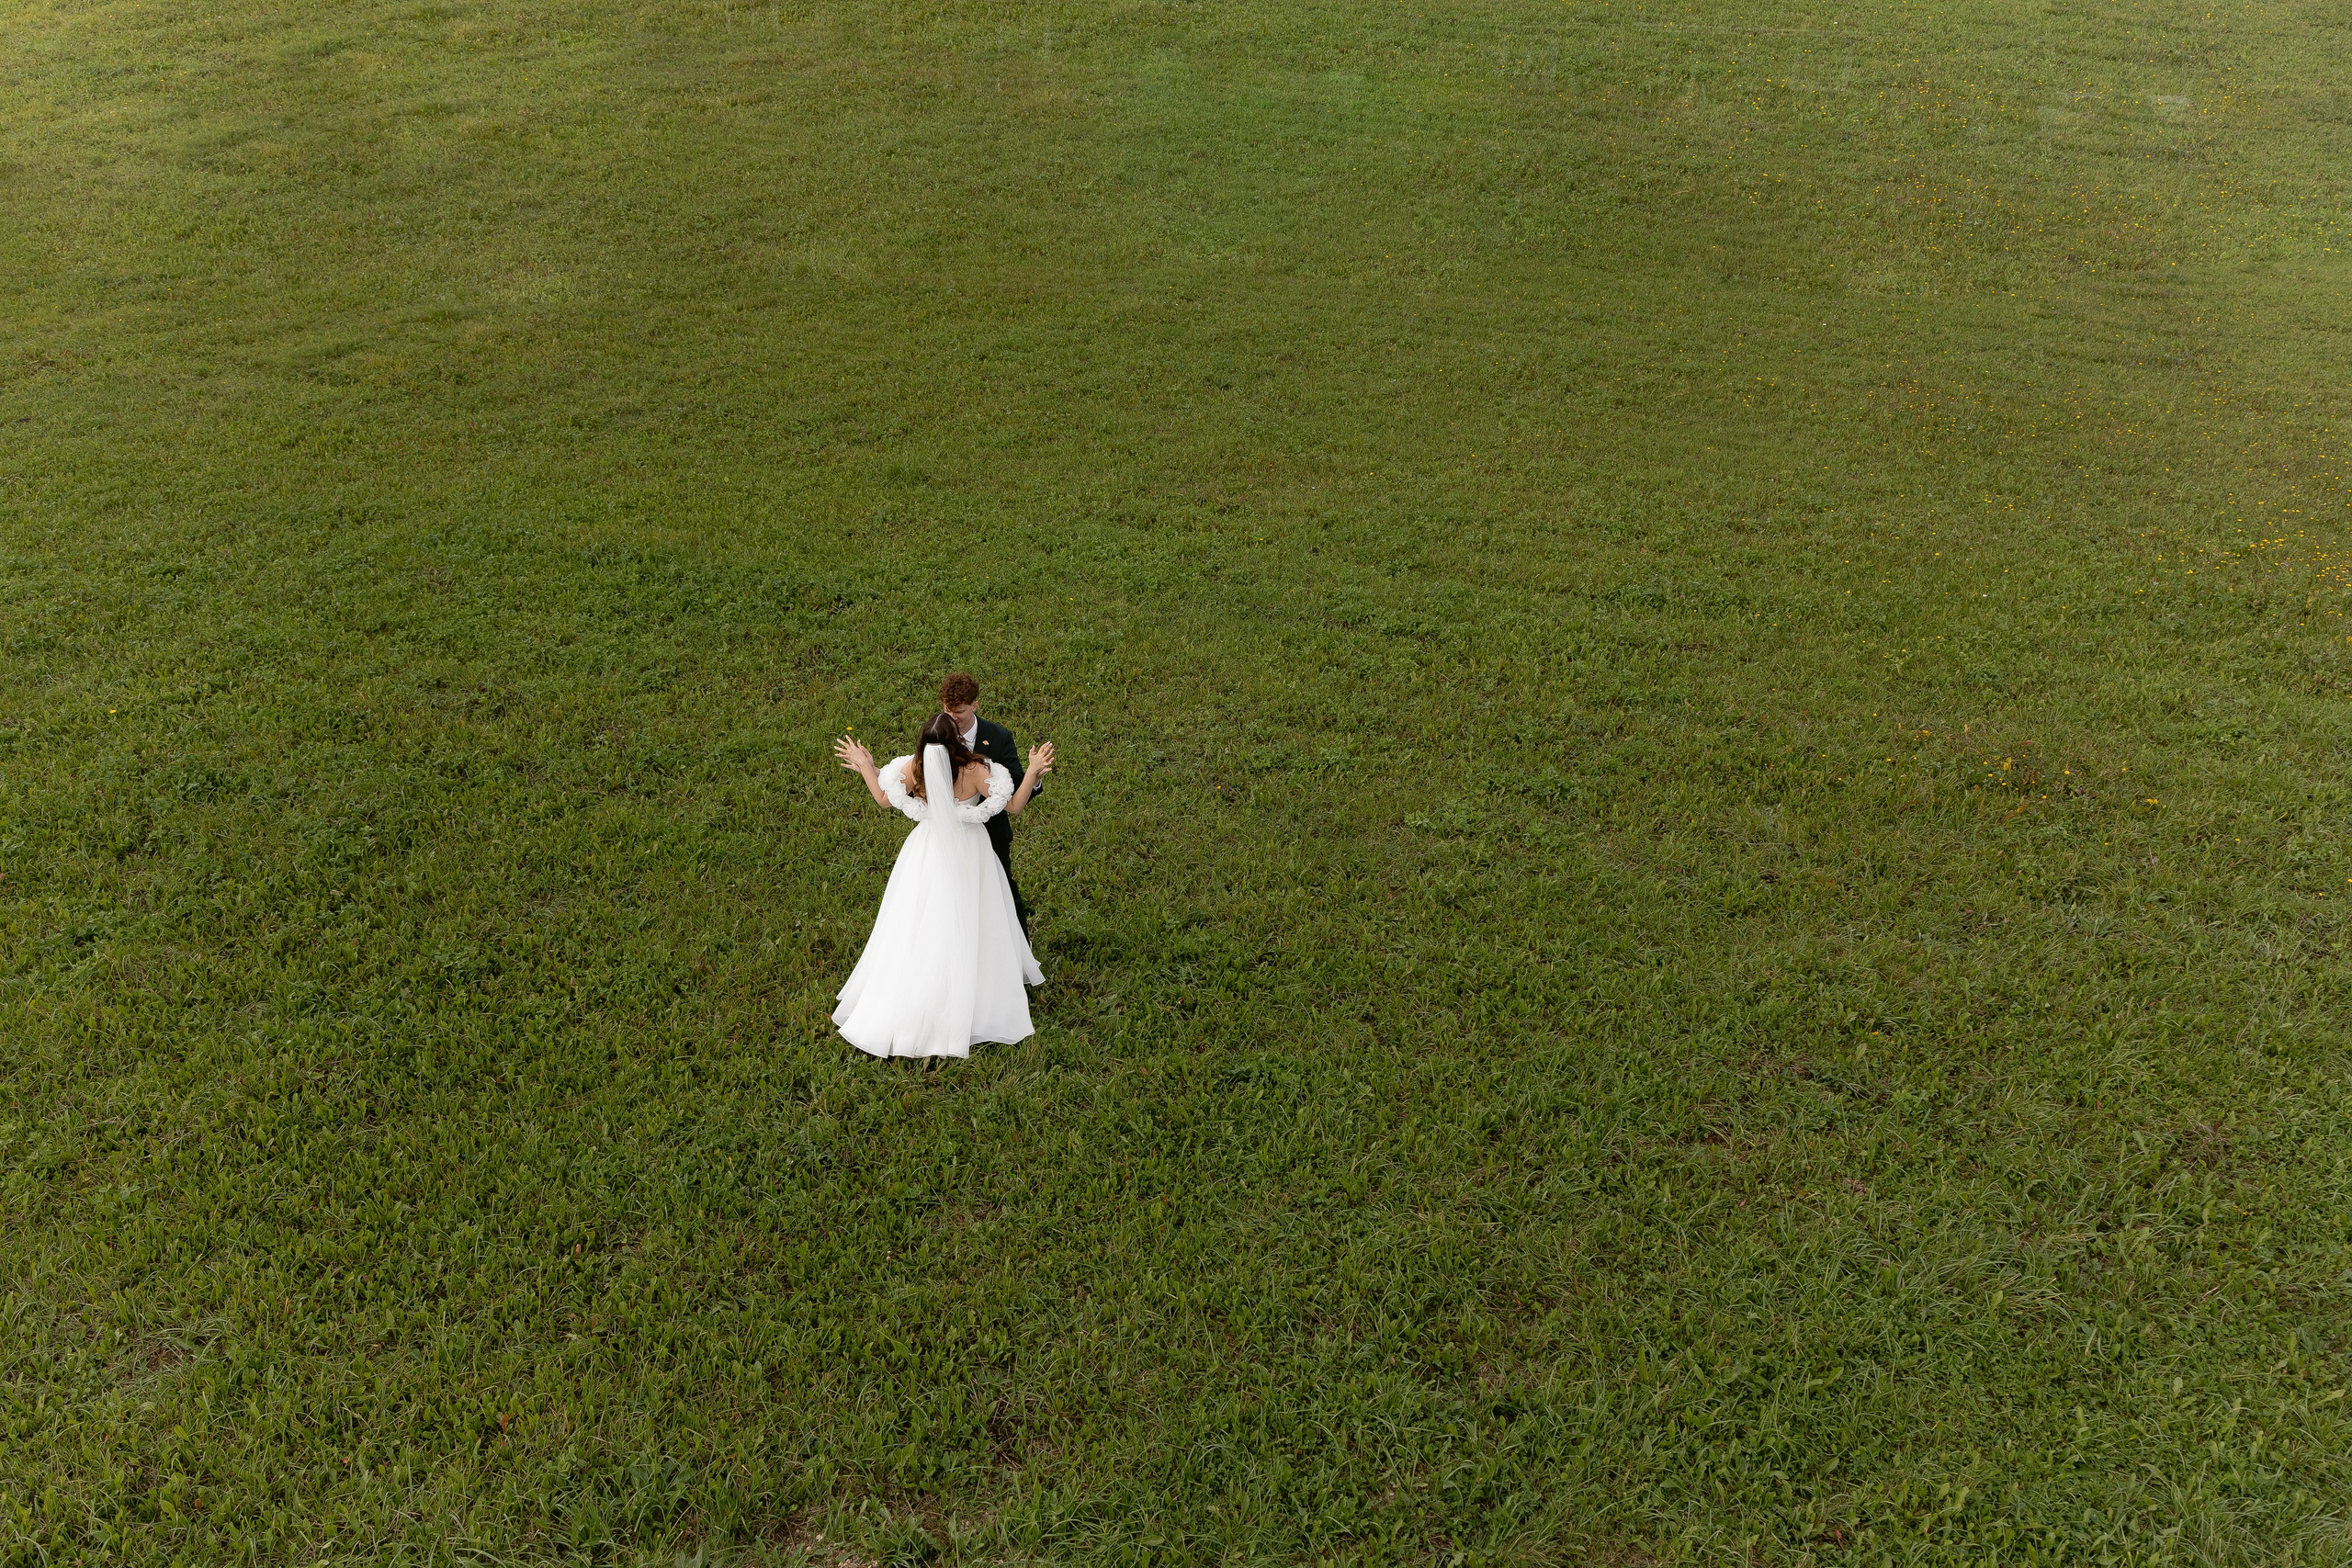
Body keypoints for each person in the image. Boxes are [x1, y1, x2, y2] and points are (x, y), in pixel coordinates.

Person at [830, 711, 1056, 1058]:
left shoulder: (914, 769)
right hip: (971, 852)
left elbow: (883, 798)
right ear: (956, 742)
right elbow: (1013, 806)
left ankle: (921, 991)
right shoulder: (975, 770)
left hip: (926, 850)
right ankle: (977, 995)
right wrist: (1034, 770)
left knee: (922, 919)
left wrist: (865, 765)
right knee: (974, 916)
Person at [934, 672, 1043, 933]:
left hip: (991, 831)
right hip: (949, 832)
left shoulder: (998, 736)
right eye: (949, 710)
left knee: (1002, 888)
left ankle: (1018, 947)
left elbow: (1015, 783)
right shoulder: (938, 732)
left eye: (959, 710)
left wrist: (1033, 777)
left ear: (975, 705)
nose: (954, 717)